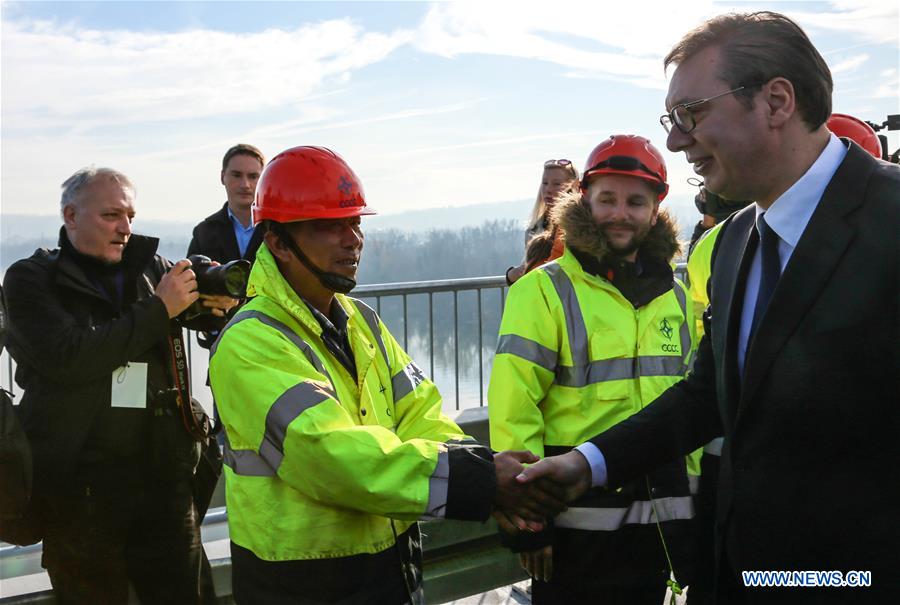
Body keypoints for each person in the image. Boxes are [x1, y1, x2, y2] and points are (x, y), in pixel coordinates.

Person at [516, 11, 899, 604]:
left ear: (775, 102)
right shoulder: (735, 244)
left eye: (691, 114)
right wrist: (586, 464)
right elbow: (709, 395)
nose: (676, 140)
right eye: (673, 120)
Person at [208, 146, 565, 604]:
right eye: (329, 226)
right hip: (302, 583)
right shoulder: (250, 342)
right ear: (277, 242)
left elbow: (421, 412)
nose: (352, 238)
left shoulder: (361, 321)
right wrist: (478, 483)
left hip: (388, 568)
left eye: (355, 223)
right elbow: (328, 454)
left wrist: (481, 473)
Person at [3, 167, 237, 603]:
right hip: (80, 491)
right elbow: (68, 357)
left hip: (163, 481)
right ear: (71, 216)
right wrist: (158, 309)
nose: (126, 228)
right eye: (111, 215)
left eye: (130, 215)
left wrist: (216, 302)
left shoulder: (148, 268)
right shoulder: (30, 279)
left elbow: (191, 309)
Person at [489, 135, 700, 604]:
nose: (620, 213)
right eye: (607, 199)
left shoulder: (677, 297)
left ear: (656, 207)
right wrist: (528, 520)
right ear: (585, 197)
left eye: (635, 201)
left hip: (661, 531)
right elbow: (514, 408)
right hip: (574, 534)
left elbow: (693, 405)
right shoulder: (544, 290)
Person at [187, 143, 266, 268]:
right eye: (237, 175)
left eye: (253, 177)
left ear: (263, 180)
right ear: (222, 177)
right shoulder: (204, 232)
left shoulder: (279, 230)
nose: (245, 184)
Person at [505, 159, 579, 284]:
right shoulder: (535, 227)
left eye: (556, 184)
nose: (548, 189)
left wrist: (514, 275)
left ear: (573, 186)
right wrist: (512, 275)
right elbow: (529, 269)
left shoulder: (576, 224)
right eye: (545, 183)